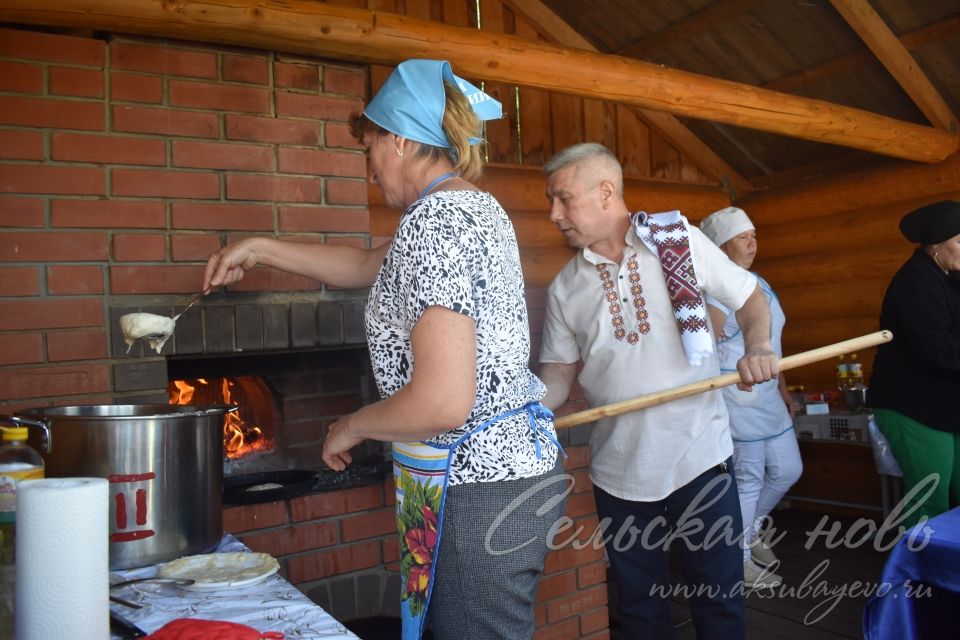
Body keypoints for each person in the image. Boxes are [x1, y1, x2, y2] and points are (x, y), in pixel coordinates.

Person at [203, 59, 565, 640]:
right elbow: (366, 265)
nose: (369, 168)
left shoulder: (435, 223)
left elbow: (443, 402)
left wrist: (351, 424)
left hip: (475, 492)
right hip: (498, 482)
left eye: (369, 148)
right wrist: (261, 248)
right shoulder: (467, 207)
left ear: (398, 140)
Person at [537, 142, 780, 639]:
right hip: (618, 474)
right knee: (640, 614)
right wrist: (522, 410)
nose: (553, 214)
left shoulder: (679, 242)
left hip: (700, 460)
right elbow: (558, 375)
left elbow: (750, 297)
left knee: (720, 608)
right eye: (551, 201)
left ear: (606, 192)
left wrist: (757, 346)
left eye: (563, 199)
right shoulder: (565, 288)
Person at [699, 206, 803, 588]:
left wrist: (783, 385)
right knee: (749, 479)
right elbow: (705, 350)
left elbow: (771, 342)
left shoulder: (757, 283)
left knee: (789, 469)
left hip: (768, 392)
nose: (752, 243)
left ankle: (750, 531)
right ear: (721, 247)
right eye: (743, 237)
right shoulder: (713, 293)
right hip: (738, 394)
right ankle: (737, 559)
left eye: (754, 235)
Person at [867, 200, 960, 529]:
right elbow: (935, 349)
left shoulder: (949, 277)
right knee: (929, 497)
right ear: (936, 243)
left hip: (944, 405)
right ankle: (915, 575)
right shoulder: (917, 281)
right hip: (912, 405)